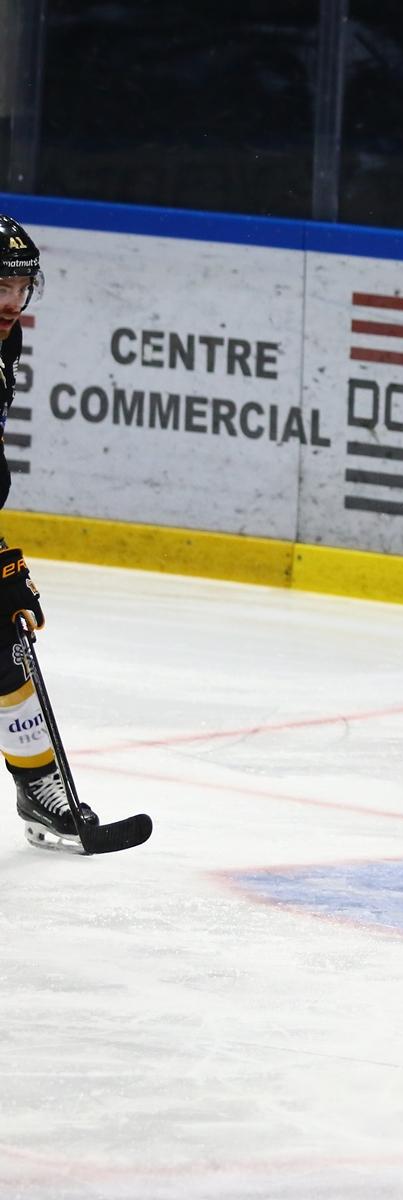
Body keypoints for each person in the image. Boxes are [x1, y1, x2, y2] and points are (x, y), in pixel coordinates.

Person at [0, 213, 97, 851]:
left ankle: (39, 787)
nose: (12, 302)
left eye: (20, 286)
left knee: (2, 647)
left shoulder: (4, 342)